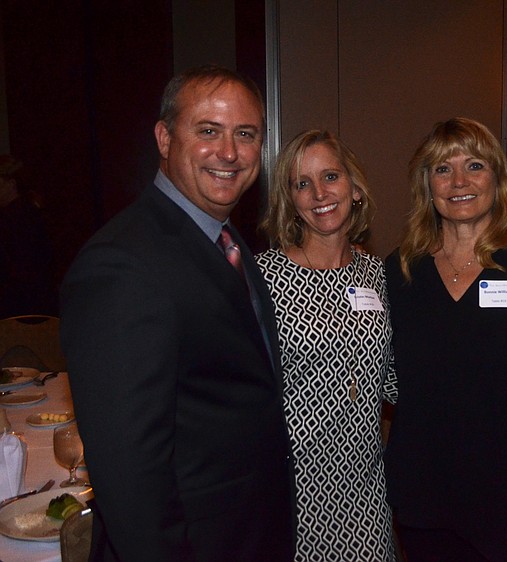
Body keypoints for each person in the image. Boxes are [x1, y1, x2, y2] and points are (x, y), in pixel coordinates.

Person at [60, 65, 295, 562]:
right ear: (165, 138)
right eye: (208, 131)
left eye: (245, 134)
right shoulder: (122, 264)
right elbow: (130, 476)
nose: (229, 153)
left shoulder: (228, 242)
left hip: (247, 532)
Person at [384, 117, 507, 561]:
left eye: (474, 165)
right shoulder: (400, 270)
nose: (458, 181)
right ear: (427, 184)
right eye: (443, 169)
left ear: (497, 177)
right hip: (423, 490)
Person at [256, 130, 398, 561]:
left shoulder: (376, 274)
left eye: (331, 176)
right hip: (293, 485)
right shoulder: (263, 278)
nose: (319, 193)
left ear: (355, 189)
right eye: (302, 183)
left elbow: (394, 376)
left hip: (366, 483)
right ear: (290, 200)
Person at [0, 154, 58, 318]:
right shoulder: (33, 213)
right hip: (38, 304)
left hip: (20, 307)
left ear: (11, 184)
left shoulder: (12, 219)